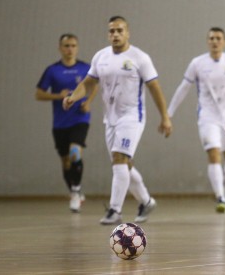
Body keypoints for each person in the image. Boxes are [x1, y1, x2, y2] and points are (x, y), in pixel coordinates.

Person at [63, 16, 172, 225]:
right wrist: (73, 97)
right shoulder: (100, 57)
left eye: (119, 31)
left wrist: (165, 117)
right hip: (110, 119)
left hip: (132, 117)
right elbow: (88, 83)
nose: (115, 35)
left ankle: (115, 210)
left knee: (119, 159)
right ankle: (146, 201)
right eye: (112, 31)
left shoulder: (140, 58)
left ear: (127, 33)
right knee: (123, 164)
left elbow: (155, 88)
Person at [168, 27, 225, 213]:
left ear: (224, 42)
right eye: (211, 38)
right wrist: (168, 113)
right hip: (207, 117)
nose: (215, 41)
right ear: (207, 41)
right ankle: (219, 197)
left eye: (218, 38)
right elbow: (183, 88)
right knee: (213, 153)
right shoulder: (197, 63)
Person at [36, 33, 97, 212]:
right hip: (60, 123)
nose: (69, 49)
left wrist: (88, 102)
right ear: (60, 48)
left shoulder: (86, 68)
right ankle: (73, 190)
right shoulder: (52, 70)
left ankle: (76, 193)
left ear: (77, 48)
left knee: (75, 152)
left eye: (73, 45)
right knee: (65, 161)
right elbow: (38, 93)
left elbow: (94, 86)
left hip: (80, 119)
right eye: (66, 46)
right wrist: (58, 95)